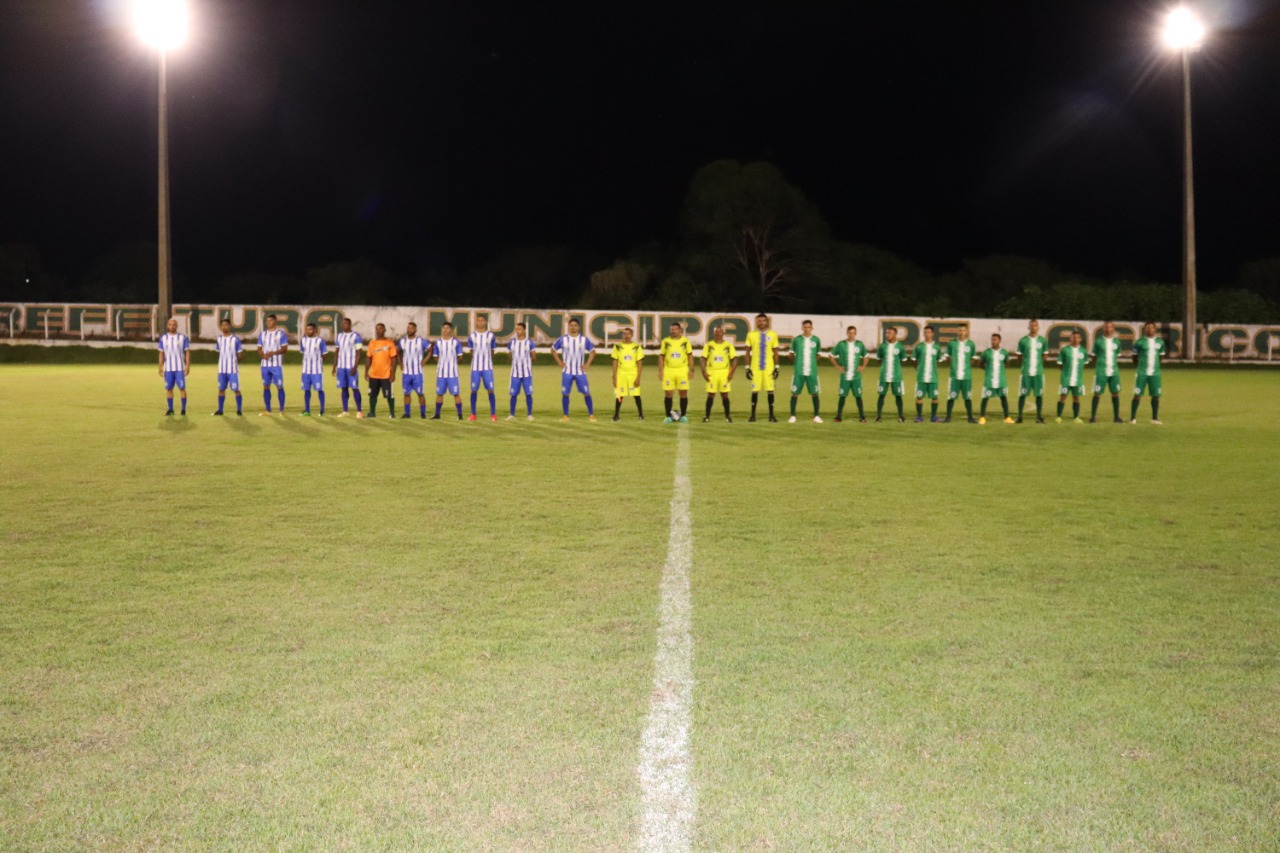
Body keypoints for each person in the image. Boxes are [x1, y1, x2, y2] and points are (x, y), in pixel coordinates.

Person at [553, 318, 597, 421]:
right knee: (565, 393)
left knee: (586, 392)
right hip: (567, 372)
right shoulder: (563, 339)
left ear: (579, 327)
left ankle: (591, 414)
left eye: (575, 325)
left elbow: (593, 351)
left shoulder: (584, 339)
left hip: (580, 372)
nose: (573, 327)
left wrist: (587, 364)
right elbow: (553, 349)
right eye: (571, 325)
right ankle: (566, 415)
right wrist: (559, 362)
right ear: (568, 326)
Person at [745, 313, 781, 422]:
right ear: (756, 322)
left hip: (769, 367)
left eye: (763, 320)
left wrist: (777, 367)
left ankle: (771, 415)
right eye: (759, 321)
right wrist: (747, 367)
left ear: (767, 322)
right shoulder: (751, 334)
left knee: (770, 390)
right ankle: (752, 415)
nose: (761, 322)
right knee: (755, 390)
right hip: (755, 367)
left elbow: (775, 352)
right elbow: (747, 352)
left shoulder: (773, 334)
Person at [828, 325, 868, 423]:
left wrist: (863, 366)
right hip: (845, 375)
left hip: (856, 376)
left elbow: (866, 356)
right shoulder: (841, 344)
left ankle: (862, 417)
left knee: (858, 396)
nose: (851, 335)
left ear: (856, 334)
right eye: (850, 333)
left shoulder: (859, 344)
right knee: (842, 396)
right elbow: (831, 355)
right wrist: (837, 366)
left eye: (853, 333)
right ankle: (838, 417)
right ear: (847, 333)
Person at [428, 322, 465, 420]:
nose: (445, 330)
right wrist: (442, 364)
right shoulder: (438, 343)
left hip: (453, 374)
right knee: (439, 393)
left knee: (456, 394)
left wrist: (453, 364)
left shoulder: (456, 342)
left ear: (451, 330)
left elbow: (460, 357)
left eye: (447, 328)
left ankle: (460, 415)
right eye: (443, 328)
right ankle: (437, 414)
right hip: (441, 374)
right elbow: (435, 357)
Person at [1131, 321, 1165, 425]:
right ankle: (1133, 418)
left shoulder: (1160, 342)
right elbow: (1134, 357)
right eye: (1147, 328)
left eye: (1151, 328)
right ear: (1145, 329)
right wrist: (1140, 367)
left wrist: (1155, 366)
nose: (1149, 329)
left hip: (1155, 373)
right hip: (1142, 372)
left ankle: (1154, 418)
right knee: (1137, 394)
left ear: (1155, 329)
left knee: (1156, 395)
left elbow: (1161, 357)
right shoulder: (1139, 342)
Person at [700, 325, 737, 422]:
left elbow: (734, 359)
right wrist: (704, 372)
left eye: (719, 332)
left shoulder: (728, 345)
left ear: (723, 333)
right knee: (711, 394)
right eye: (716, 332)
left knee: (725, 395)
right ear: (713, 333)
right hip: (712, 373)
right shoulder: (709, 345)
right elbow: (703, 359)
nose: (717, 333)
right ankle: (707, 416)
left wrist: (731, 372)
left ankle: (728, 416)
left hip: (724, 373)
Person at [788, 319, 823, 423]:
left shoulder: (816, 340)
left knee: (815, 393)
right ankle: (792, 416)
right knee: (795, 393)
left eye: (809, 327)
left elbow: (819, 354)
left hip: (812, 372)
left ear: (812, 328)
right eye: (805, 327)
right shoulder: (797, 340)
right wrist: (797, 362)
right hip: (799, 371)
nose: (807, 329)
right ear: (802, 328)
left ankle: (816, 416)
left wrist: (812, 362)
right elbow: (791, 354)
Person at [1090, 321, 1124, 424]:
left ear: (1113, 329)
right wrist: (1099, 366)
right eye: (1106, 327)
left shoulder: (1117, 342)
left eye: (1110, 327)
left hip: (1114, 372)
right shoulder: (1098, 341)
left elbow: (1117, 356)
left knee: (1115, 393)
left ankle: (1116, 417)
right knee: (1097, 393)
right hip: (1101, 371)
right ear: (1103, 329)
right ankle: (1093, 417)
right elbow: (1094, 356)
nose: (1108, 329)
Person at [942, 325, 978, 423]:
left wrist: (967, 366)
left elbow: (974, 358)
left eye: (963, 330)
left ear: (966, 332)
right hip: (954, 376)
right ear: (957, 332)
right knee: (951, 397)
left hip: (966, 376)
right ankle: (948, 417)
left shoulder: (970, 344)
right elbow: (947, 356)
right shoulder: (952, 343)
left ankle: (970, 417)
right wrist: (953, 365)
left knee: (967, 397)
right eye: (960, 330)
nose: (961, 332)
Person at [659, 321, 693, 423]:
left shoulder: (685, 341)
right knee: (668, 393)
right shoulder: (666, 341)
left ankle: (683, 416)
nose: (673, 331)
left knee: (683, 392)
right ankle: (668, 416)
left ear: (680, 330)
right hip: (669, 370)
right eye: (672, 330)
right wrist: (660, 370)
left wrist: (691, 369)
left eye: (675, 329)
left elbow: (690, 356)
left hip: (682, 370)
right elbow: (661, 356)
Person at [1015, 319, 1048, 424]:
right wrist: (1026, 362)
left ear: (1038, 327)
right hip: (1026, 372)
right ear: (1028, 327)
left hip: (1038, 373)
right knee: (1022, 394)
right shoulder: (1023, 340)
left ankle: (1039, 417)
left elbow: (1045, 355)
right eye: (1032, 325)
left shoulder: (1042, 341)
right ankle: (1020, 417)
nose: (1033, 327)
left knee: (1039, 395)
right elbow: (1019, 355)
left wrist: (1038, 362)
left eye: (1035, 325)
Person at [466, 315, 498, 422]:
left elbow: (492, 350)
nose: (480, 322)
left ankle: (493, 414)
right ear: (476, 322)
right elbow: (471, 351)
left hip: (487, 368)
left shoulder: (491, 336)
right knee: (473, 390)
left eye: (482, 320)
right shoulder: (472, 336)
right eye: (478, 320)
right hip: (475, 368)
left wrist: (487, 359)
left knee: (490, 390)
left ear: (485, 322)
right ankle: (473, 414)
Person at [909, 324, 942, 423]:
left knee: (935, 397)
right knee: (919, 396)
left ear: (933, 334)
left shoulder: (937, 347)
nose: (927, 334)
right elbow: (913, 360)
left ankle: (933, 416)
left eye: (929, 332)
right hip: (921, 377)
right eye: (925, 333)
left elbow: (938, 360)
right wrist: (918, 368)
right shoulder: (919, 347)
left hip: (933, 377)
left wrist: (933, 369)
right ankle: (919, 416)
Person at [978, 333, 1014, 424]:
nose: (993, 342)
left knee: (1003, 398)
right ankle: (982, 417)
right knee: (985, 398)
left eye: (995, 340)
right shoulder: (986, 352)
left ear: (999, 341)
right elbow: (980, 364)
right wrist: (988, 370)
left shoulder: (1004, 352)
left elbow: (1007, 364)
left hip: (1001, 380)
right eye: (992, 340)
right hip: (989, 380)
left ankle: (1007, 417)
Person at [257, 313, 288, 415]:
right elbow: (259, 349)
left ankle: (281, 409)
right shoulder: (263, 334)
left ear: (275, 321)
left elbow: (284, 349)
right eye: (267, 321)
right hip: (265, 366)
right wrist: (263, 355)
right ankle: (267, 410)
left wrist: (273, 353)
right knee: (266, 386)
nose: (268, 322)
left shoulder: (281, 334)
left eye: (270, 320)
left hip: (276, 365)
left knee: (279, 386)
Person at [611, 326, 645, 421]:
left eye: (628, 334)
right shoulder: (617, 347)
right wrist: (614, 376)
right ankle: (616, 415)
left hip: (633, 374)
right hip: (621, 374)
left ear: (632, 335)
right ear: (622, 335)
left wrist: (638, 377)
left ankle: (641, 415)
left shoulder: (636, 347)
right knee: (619, 395)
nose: (626, 336)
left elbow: (640, 363)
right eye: (624, 334)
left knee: (636, 395)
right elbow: (615, 362)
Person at [158, 317, 190, 416]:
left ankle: (183, 410)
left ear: (177, 326)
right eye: (170, 325)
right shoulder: (163, 338)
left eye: (174, 325)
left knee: (182, 388)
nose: (172, 326)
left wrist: (187, 366)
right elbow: (161, 353)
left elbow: (187, 352)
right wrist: (160, 367)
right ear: (167, 326)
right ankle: (170, 409)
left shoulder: (183, 338)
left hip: (179, 368)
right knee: (169, 389)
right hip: (168, 369)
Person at [364, 323, 398, 418]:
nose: (378, 331)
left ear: (384, 330)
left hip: (386, 375)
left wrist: (393, 373)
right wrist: (366, 372)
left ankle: (392, 413)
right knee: (372, 395)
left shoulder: (390, 343)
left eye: (380, 329)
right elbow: (368, 358)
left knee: (389, 395)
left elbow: (394, 359)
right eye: (377, 329)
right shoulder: (372, 343)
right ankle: (372, 412)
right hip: (374, 374)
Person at [873, 326, 906, 423]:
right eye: (886, 333)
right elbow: (879, 360)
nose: (887, 335)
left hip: (896, 376)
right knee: (881, 395)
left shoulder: (900, 346)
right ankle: (879, 416)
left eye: (889, 333)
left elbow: (903, 360)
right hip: (884, 375)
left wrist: (896, 368)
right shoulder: (882, 346)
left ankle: (901, 416)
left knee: (898, 396)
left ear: (895, 334)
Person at [333, 317, 364, 418]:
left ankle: (359, 411)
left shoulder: (356, 336)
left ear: (349, 324)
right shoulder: (339, 336)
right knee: (343, 388)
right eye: (342, 323)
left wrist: (355, 366)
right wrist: (334, 366)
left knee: (355, 388)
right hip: (341, 367)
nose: (343, 325)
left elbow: (359, 353)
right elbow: (337, 352)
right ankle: (345, 411)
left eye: (345, 323)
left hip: (351, 366)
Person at [1056, 330, 1089, 423]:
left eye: (1077, 337)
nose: (1075, 339)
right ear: (1070, 338)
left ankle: (1076, 417)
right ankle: (1058, 416)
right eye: (1073, 337)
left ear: (1080, 339)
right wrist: (1065, 372)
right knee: (1063, 397)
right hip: (1066, 379)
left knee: (1076, 398)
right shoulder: (1065, 350)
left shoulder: (1083, 351)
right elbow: (1059, 364)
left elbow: (1085, 364)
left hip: (1078, 380)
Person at [213, 318, 243, 416]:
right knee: (221, 389)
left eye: (226, 325)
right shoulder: (219, 339)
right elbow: (219, 353)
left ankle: (239, 410)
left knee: (236, 389)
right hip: (221, 370)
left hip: (232, 370)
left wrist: (234, 363)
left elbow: (240, 354)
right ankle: (220, 410)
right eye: (222, 325)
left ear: (229, 326)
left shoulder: (235, 340)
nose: (224, 327)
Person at [398, 322, 428, 419]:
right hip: (406, 373)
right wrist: (400, 363)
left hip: (417, 373)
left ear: (415, 330)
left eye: (411, 328)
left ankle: (423, 413)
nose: (409, 330)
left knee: (420, 393)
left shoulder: (420, 341)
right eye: (408, 328)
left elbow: (430, 348)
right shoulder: (403, 341)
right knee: (406, 393)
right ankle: (407, 413)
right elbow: (397, 351)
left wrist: (425, 360)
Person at [507, 322, 536, 421]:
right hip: (515, 373)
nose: (517, 331)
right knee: (513, 394)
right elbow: (509, 356)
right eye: (516, 329)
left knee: (528, 393)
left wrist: (527, 363)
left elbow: (534, 356)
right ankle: (512, 414)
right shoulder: (512, 343)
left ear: (524, 330)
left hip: (527, 374)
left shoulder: (529, 343)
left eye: (519, 329)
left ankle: (529, 414)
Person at [298, 322, 328, 416]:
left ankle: (322, 411)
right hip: (305, 370)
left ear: (315, 330)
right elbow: (303, 352)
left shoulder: (320, 341)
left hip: (317, 370)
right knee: (306, 390)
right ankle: (307, 410)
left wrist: (318, 361)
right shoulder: (303, 340)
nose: (308, 331)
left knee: (320, 389)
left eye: (310, 329)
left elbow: (325, 354)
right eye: (307, 329)